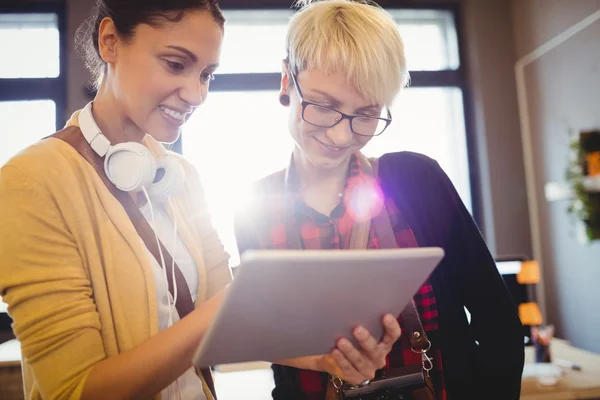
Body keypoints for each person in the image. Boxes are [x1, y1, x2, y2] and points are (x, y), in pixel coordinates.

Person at [0, 1, 402, 399]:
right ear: (109, 42)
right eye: (176, 64)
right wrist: (236, 300)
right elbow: (73, 390)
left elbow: (236, 324)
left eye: (207, 74)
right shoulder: (30, 181)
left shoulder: (180, 178)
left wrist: (325, 357)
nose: (196, 94)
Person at [233, 1, 526, 399]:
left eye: (366, 114)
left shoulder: (415, 181)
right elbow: (279, 354)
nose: (340, 136)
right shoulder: (256, 210)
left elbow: (497, 322)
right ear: (287, 80)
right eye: (324, 106)